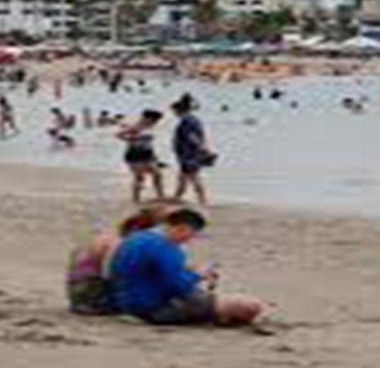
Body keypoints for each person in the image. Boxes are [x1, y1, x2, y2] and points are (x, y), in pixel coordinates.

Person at [109, 209, 275, 332]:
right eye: (191, 234)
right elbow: (179, 286)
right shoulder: (165, 246)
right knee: (250, 305)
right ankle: (257, 318)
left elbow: (148, 270)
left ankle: (224, 315)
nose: (189, 240)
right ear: (183, 228)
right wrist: (199, 275)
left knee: (220, 302)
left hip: (129, 302)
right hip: (155, 308)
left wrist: (188, 271)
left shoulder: (137, 238)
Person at [65, 202, 171, 315]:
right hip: (93, 298)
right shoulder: (124, 244)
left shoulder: (113, 238)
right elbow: (111, 275)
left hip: (77, 294)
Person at [171, 94, 214, 205]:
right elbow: (200, 135)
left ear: (178, 110)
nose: (173, 113)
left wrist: (203, 149)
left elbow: (192, 136)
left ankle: (202, 200)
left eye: (174, 111)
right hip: (188, 153)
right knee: (184, 176)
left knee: (193, 176)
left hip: (189, 154)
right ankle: (177, 197)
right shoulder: (194, 120)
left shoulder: (186, 121)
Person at [117, 109, 165, 203]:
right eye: (155, 120)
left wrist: (155, 156)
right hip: (135, 154)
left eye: (157, 121)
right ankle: (136, 200)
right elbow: (119, 134)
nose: (156, 122)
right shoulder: (137, 127)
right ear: (148, 118)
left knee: (157, 174)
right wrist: (131, 139)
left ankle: (161, 196)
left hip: (148, 154)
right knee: (140, 177)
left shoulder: (149, 127)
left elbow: (148, 142)